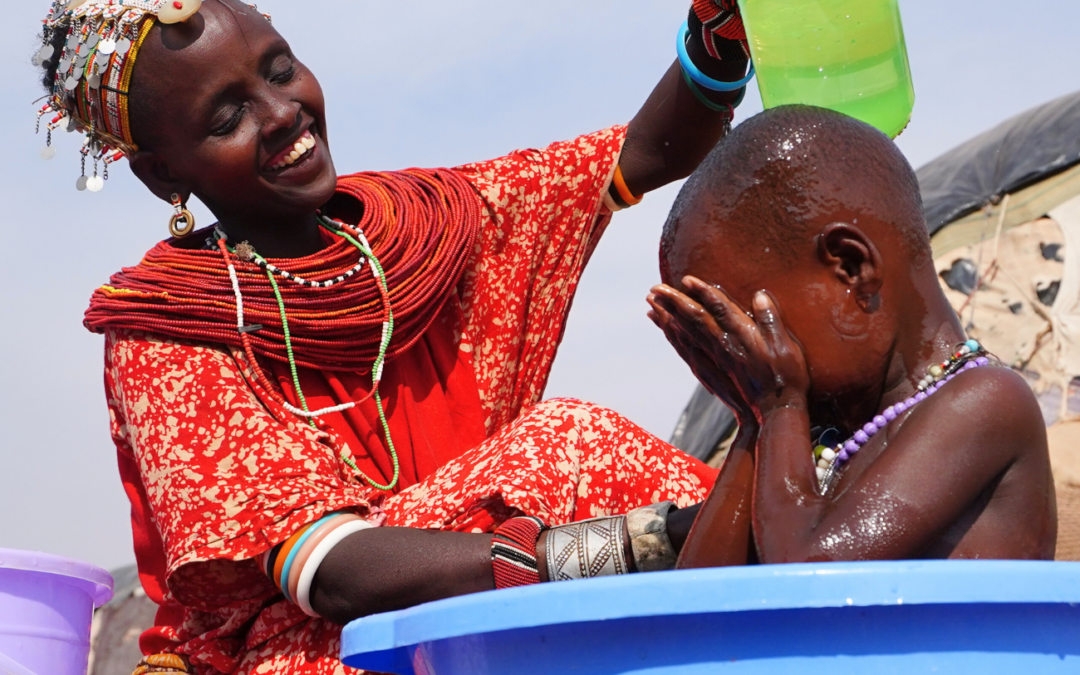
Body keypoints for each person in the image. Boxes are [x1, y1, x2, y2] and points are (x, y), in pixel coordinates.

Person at [32, 0, 759, 673]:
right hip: (311, 649)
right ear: (164, 177)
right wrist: (631, 545)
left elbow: (639, 157)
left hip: (492, 608)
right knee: (567, 445)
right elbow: (332, 571)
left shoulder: (422, 226)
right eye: (228, 118)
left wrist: (718, 34)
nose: (284, 113)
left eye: (281, 70)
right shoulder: (168, 325)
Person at [647, 105, 1058, 568]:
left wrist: (779, 406)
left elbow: (808, 576)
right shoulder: (822, 443)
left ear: (851, 269)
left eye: (749, 326)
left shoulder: (984, 402)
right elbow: (703, 608)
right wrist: (751, 418)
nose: (743, 357)